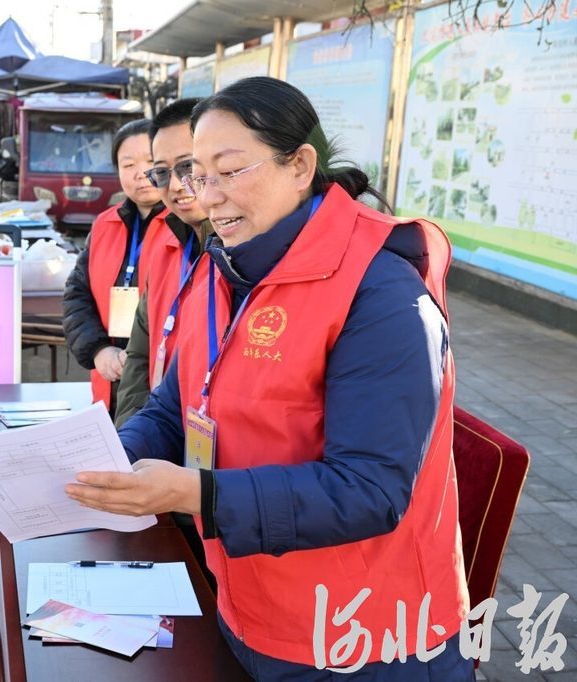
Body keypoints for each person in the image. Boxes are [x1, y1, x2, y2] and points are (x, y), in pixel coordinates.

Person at [67, 77, 473, 680]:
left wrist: (192, 493)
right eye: (194, 175)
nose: (206, 197)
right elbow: (173, 408)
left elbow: (370, 490)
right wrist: (111, 461)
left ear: (300, 165)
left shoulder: (381, 293)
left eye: (228, 171)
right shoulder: (222, 266)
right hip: (247, 602)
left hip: (362, 637)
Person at [114, 99, 210, 428]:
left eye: (188, 167)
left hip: (215, 468)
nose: (175, 185)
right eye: (162, 172)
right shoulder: (165, 248)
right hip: (157, 438)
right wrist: (130, 439)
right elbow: (140, 356)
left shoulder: (246, 256)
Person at [62, 119, 167, 415]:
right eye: (128, 164)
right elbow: (77, 294)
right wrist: (97, 350)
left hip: (160, 385)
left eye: (151, 161)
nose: (140, 174)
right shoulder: (105, 223)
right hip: (107, 379)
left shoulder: (187, 227)